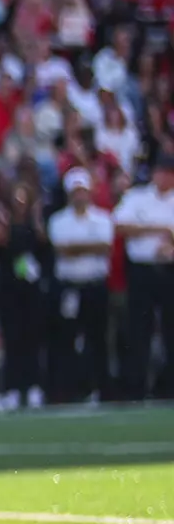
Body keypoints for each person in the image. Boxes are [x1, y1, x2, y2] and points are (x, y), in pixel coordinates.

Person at [47, 167, 114, 402]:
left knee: (97, 338)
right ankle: (69, 390)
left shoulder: (102, 218)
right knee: (66, 339)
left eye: (83, 190)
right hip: (69, 286)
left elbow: (105, 247)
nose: (80, 195)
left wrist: (76, 247)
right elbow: (61, 249)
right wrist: (89, 246)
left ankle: (99, 389)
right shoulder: (58, 220)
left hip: (95, 285)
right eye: (76, 191)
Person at [112, 156, 174, 401]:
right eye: (160, 171)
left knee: (171, 331)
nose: (163, 177)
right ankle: (135, 388)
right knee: (139, 329)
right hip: (141, 270)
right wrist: (159, 229)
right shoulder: (137, 197)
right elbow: (120, 226)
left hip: (169, 269)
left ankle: (168, 388)